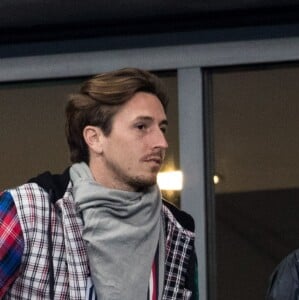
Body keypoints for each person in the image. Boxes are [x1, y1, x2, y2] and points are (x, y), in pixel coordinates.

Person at [0, 68, 198, 299]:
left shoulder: (175, 233)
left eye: (161, 128)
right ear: (95, 138)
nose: (161, 142)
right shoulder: (30, 212)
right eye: (142, 127)